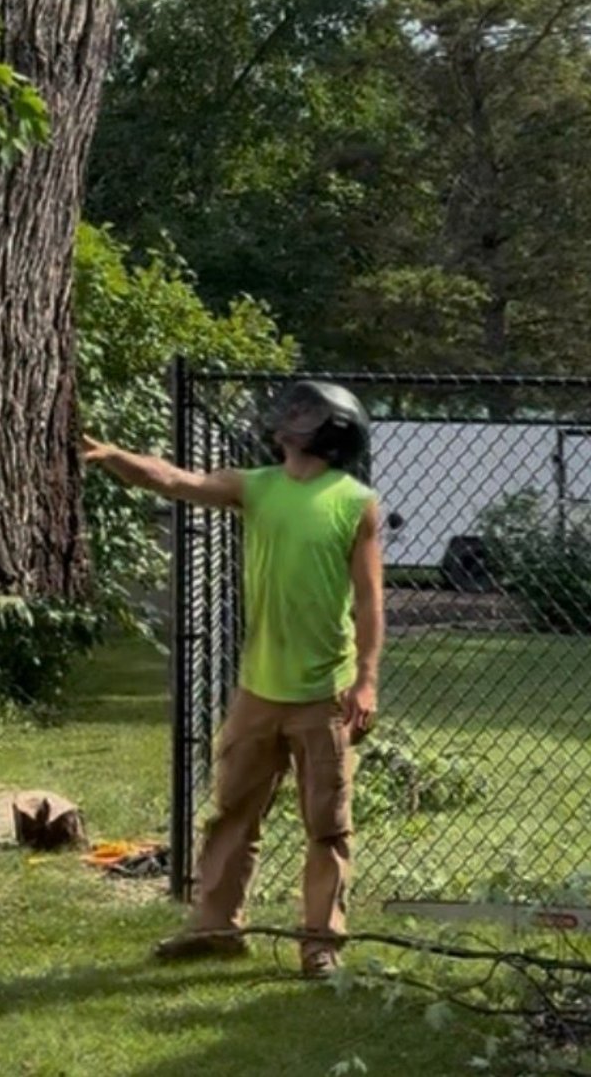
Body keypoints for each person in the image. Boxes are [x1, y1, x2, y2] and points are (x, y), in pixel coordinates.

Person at [83, 380, 384, 977]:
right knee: (232, 816)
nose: (287, 418)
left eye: (302, 412)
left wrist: (367, 681)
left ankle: (320, 946)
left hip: (325, 695)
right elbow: (174, 480)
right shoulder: (256, 486)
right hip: (257, 692)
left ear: (329, 430)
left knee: (327, 827)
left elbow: (371, 601)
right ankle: (216, 929)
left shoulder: (356, 502)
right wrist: (114, 456)